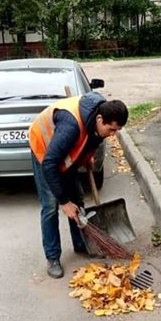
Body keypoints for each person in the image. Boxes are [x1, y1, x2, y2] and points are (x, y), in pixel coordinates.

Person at [29, 93, 129, 278]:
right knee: (51, 206)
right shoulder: (70, 127)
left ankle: (81, 243)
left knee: (77, 197)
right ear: (99, 119)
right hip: (45, 152)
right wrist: (64, 203)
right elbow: (50, 165)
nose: (113, 135)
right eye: (111, 129)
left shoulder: (100, 115)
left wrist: (87, 155)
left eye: (117, 130)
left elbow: (92, 137)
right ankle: (52, 258)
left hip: (63, 151)